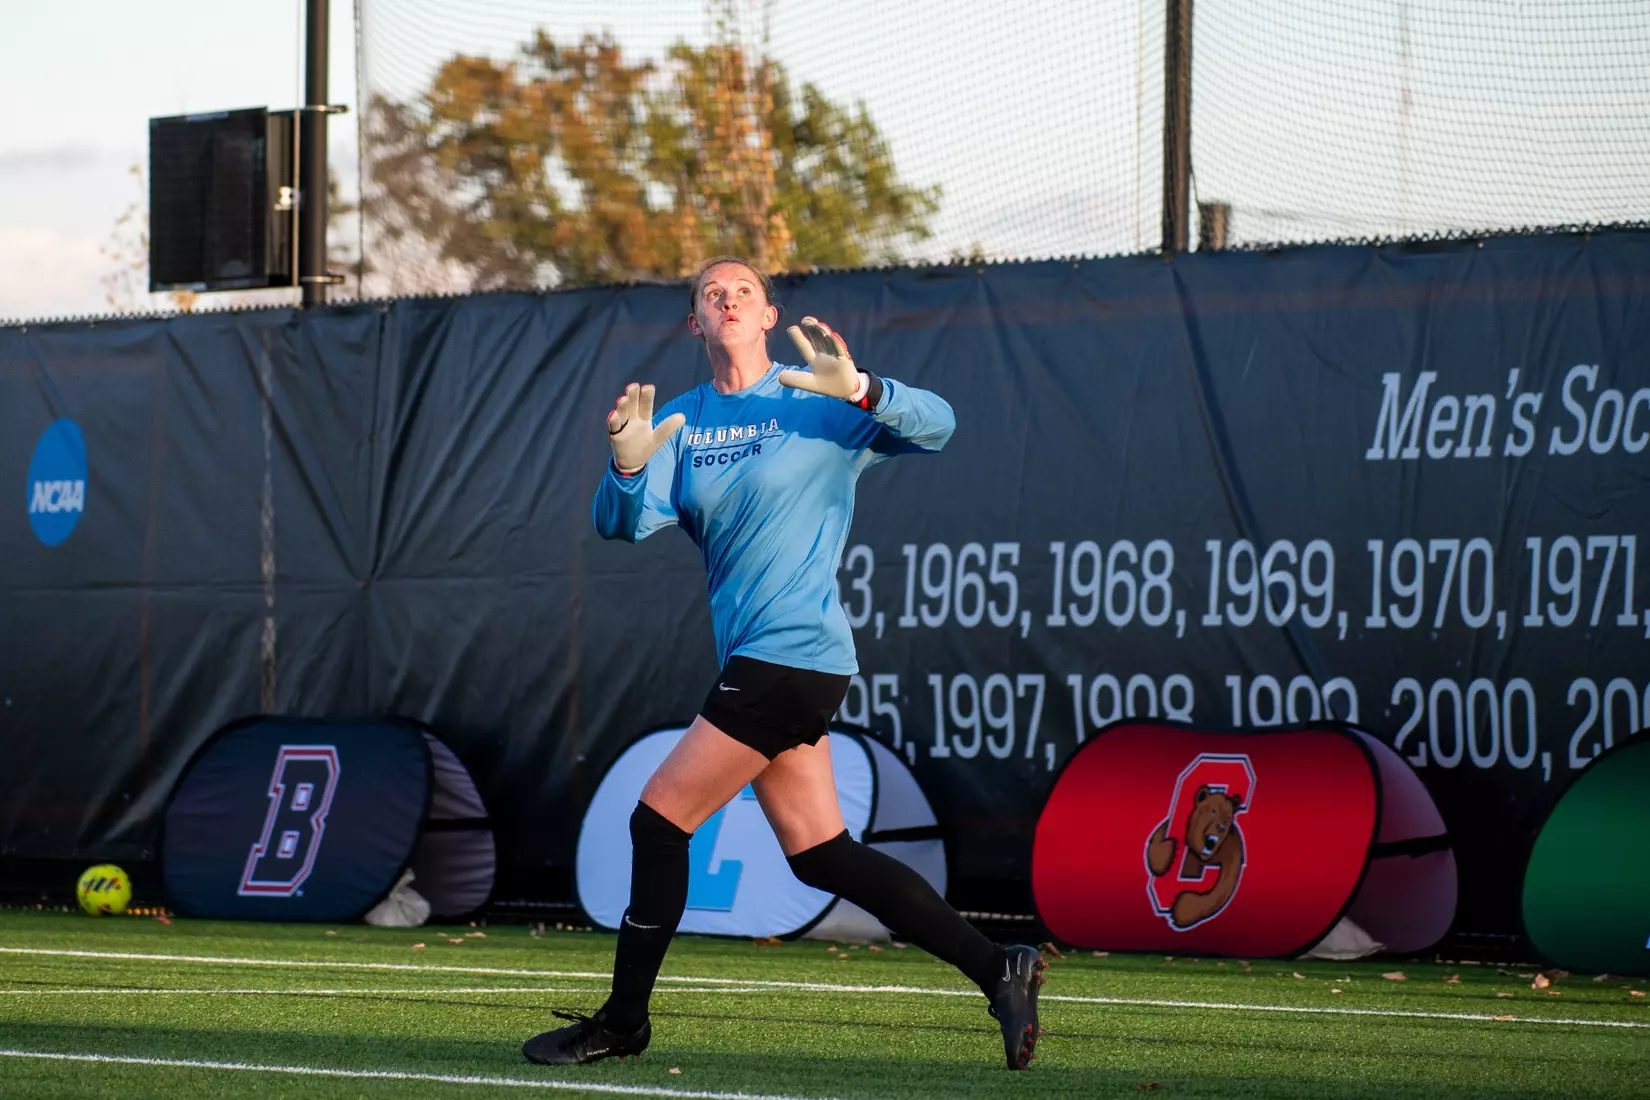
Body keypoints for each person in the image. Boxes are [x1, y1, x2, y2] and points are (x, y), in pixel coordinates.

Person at [522, 257, 1046, 1072]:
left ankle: (623, 1022)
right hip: (766, 661)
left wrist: (866, 389)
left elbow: (940, 425)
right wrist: (626, 467)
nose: (727, 300)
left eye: (743, 292)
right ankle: (997, 966)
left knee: (658, 820)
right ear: (694, 323)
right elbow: (619, 526)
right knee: (821, 852)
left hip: (793, 655)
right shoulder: (685, 423)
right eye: (710, 293)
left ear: (768, 317)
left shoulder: (817, 402)